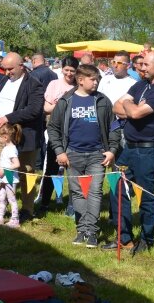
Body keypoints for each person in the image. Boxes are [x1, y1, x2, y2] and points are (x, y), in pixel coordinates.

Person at [105, 50, 154, 254]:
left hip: (149, 150)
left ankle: (146, 239)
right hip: (129, 149)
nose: (140, 67)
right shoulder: (140, 84)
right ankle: (123, 238)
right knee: (117, 189)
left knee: (146, 196)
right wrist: (132, 106)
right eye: (140, 64)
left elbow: (133, 112)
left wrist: (130, 107)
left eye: (145, 65)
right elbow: (116, 107)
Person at [47, 64, 120, 247]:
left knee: (94, 193)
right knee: (77, 193)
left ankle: (92, 231)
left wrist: (112, 149)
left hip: (97, 154)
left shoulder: (103, 101)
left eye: (97, 79)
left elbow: (114, 127)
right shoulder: (66, 101)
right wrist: (59, 151)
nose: (96, 82)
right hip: (72, 155)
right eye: (92, 79)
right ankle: (82, 230)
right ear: (80, 80)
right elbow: (53, 127)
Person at [0, 52, 45, 222]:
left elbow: (34, 110)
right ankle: (0, 208)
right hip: (2, 136)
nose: (7, 72)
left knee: (26, 172)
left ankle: (27, 210)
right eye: (4, 69)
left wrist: (9, 118)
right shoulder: (4, 80)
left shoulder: (34, 84)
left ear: (21, 66)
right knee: (1, 171)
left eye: (10, 69)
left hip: (25, 136)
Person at [38, 56, 78, 214]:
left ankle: (72, 206)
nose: (69, 74)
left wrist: (58, 104)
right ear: (62, 69)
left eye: (72, 71)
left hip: (74, 133)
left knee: (74, 172)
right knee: (51, 170)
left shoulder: (79, 86)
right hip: (56, 132)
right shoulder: (54, 84)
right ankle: (45, 203)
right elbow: (46, 108)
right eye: (66, 70)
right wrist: (65, 105)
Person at [0, 123, 22, 227]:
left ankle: (15, 220)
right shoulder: (6, 148)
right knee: (2, 197)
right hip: (4, 178)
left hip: (10, 178)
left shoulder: (12, 149)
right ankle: (0, 217)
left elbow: (17, 164)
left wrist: (4, 170)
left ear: (5, 137)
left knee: (12, 199)